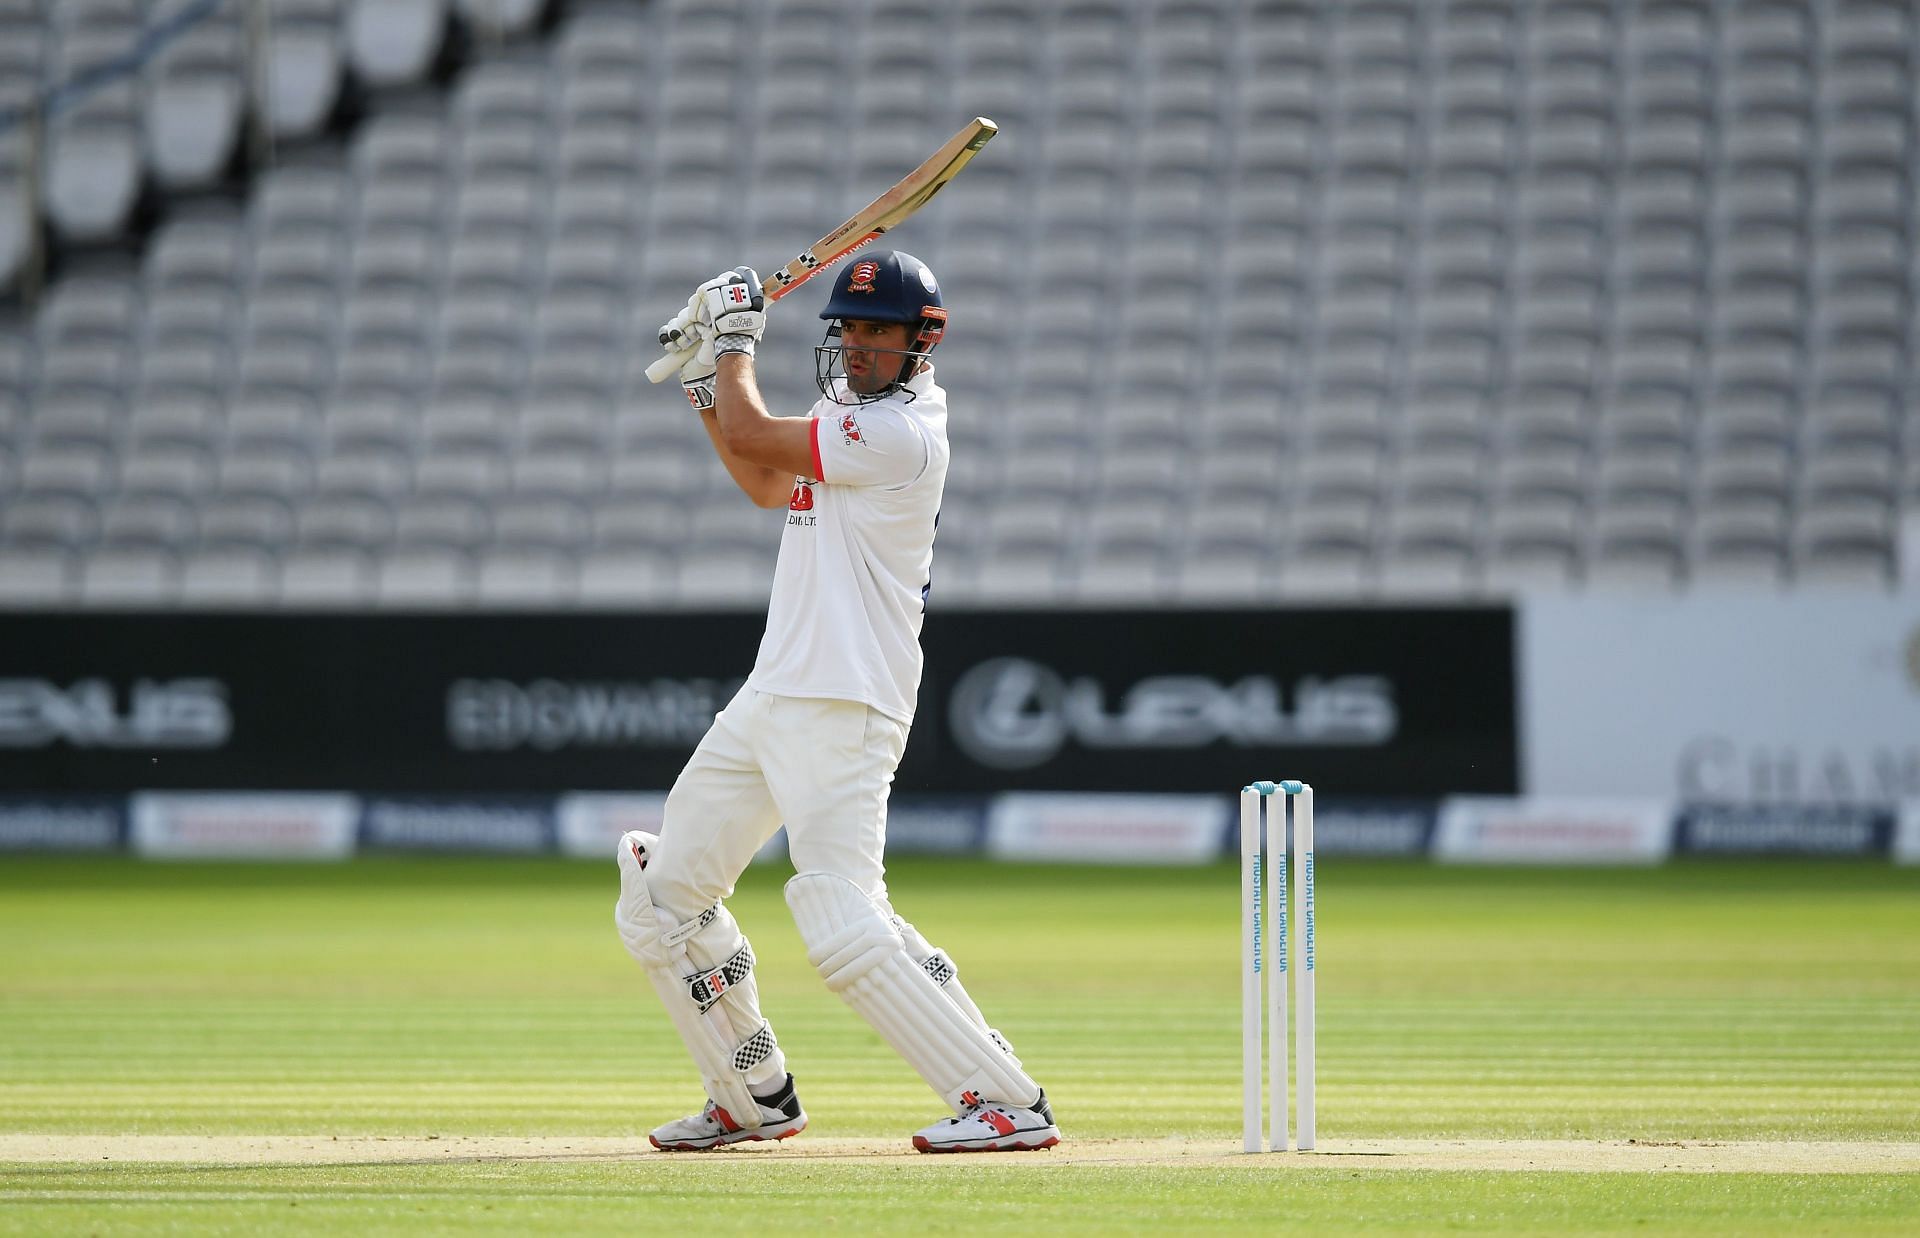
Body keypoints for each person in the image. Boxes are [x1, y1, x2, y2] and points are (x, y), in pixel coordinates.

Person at [612, 251, 1059, 1154]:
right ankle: (750, 1096)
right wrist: (709, 375)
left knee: (838, 908)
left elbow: (751, 434)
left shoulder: (904, 435)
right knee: (662, 898)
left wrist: (729, 343)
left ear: (920, 343)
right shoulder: (848, 412)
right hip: (774, 691)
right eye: (847, 330)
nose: (855, 346)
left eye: (876, 332)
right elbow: (762, 478)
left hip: (848, 698)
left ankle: (1005, 1101)